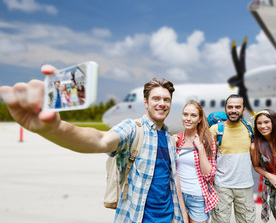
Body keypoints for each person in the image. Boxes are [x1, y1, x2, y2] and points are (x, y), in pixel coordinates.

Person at [0, 65, 184, 223]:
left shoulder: (169, 138)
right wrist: (54, 129)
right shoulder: (132, 129)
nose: (162, 103)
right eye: (156, 99)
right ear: (146, 102)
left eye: (166, 99)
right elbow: (99, 140)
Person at [210, 94, 256, 223]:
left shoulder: (249, 128)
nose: (233, 110)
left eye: (237, 107)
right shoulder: (215, 130)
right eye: (230, 107)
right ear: (225, 109)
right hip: (222, 187)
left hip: (245, 186)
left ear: (243, 109)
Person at [175, 101, 218, 223]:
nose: (188, 119)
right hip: (178, 196)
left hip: (197, 197)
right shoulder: (177, 139)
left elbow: (209, 174)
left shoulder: (207, 140)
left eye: (193, 115)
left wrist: (200, 149)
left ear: (199, 119)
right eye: (185, 114)